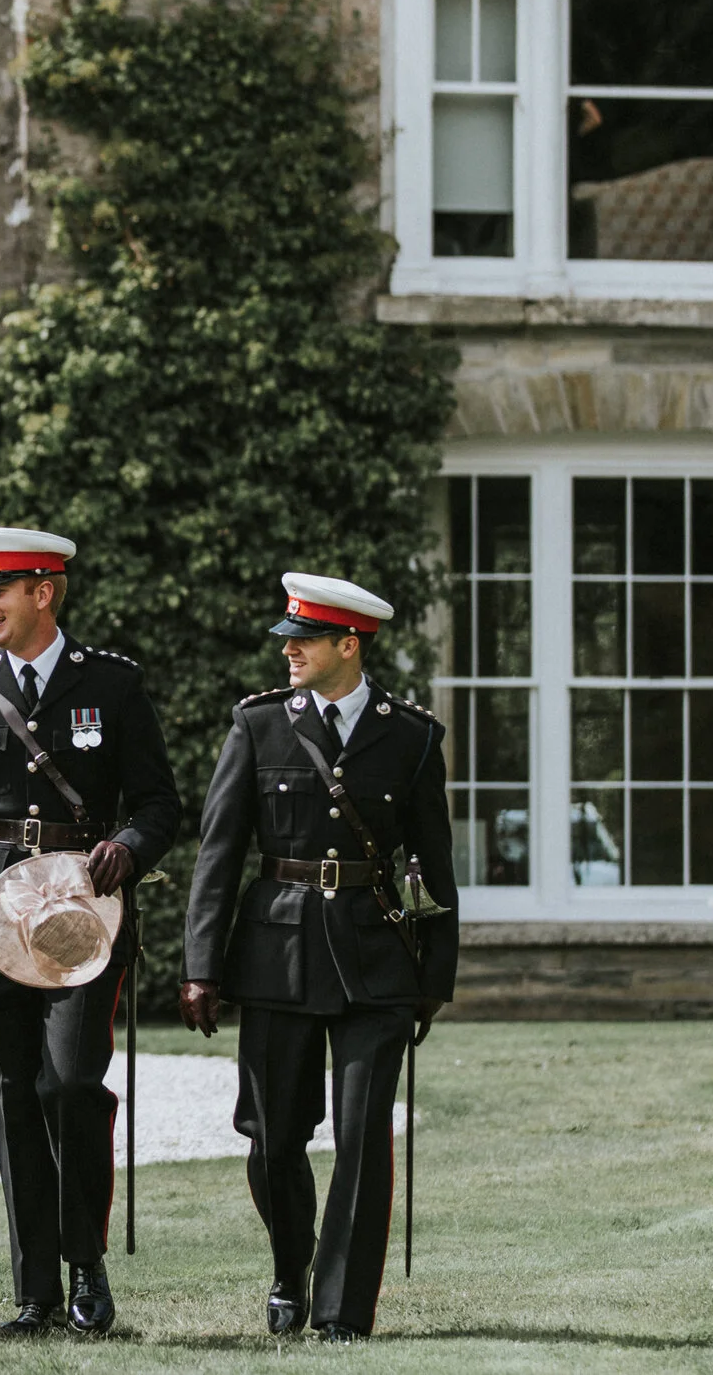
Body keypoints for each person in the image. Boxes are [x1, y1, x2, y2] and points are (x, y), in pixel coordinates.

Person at [0, 527, 181, 1336]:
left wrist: (129, 845)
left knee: (71, 1082)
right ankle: (36, 1293)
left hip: (83, 916)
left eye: (0, 590)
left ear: (44, 592)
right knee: (14, 1096)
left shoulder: (111, 686)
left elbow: (162, 802)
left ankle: (86, 1265)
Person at [179, 573, 459, 1342]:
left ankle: (341, 1311)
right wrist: (201, 964)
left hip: (376, 958)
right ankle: (289, 1265)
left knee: (365, 1136)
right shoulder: (259, 724)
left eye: (305, 638)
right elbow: (220, 852)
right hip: (276, 953)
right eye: (287, 637)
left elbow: (436, 864)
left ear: (350, 644)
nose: (289, 648)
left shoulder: (411, 736)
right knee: (273, 1136)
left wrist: (432, 979)